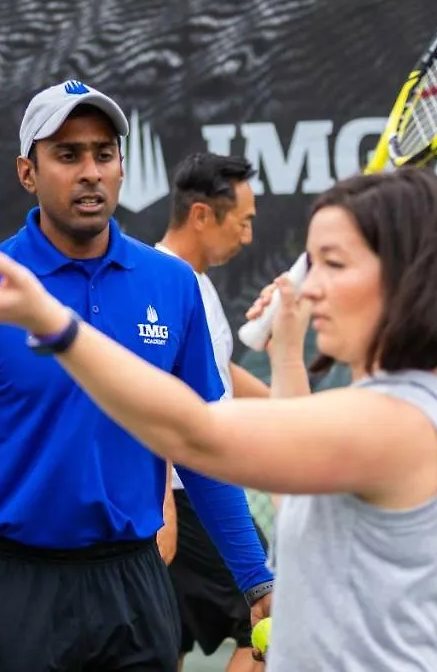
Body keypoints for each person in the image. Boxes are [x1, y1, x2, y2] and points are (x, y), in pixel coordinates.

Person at [0, 166, 437, 672]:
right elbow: (297, 477)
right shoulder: (418, 402)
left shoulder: (394, 423)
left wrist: (54, 324)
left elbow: (194, 434)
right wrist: (284, 353)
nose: (311, 287)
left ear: (408, 276)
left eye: (332, 263)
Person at [0, 79, 275, 672]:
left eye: (104, 153)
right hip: (8, 592)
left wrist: (256, 580)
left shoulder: (171, 285)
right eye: (67, 155)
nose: (90, 171)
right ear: (28, 171)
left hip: (134, 586)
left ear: (123, 167)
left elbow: (200, 446)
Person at [154, 152, 272, 672]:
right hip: (189, 499)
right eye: (242, 222)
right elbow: (150, 395)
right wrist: (163, 502)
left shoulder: (194, 282)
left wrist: (295, 407)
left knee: (165, 641)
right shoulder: (163, 284)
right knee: (276, 620)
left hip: (196, 495)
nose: (247, 237)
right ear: (202, 215)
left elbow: (218, 371)